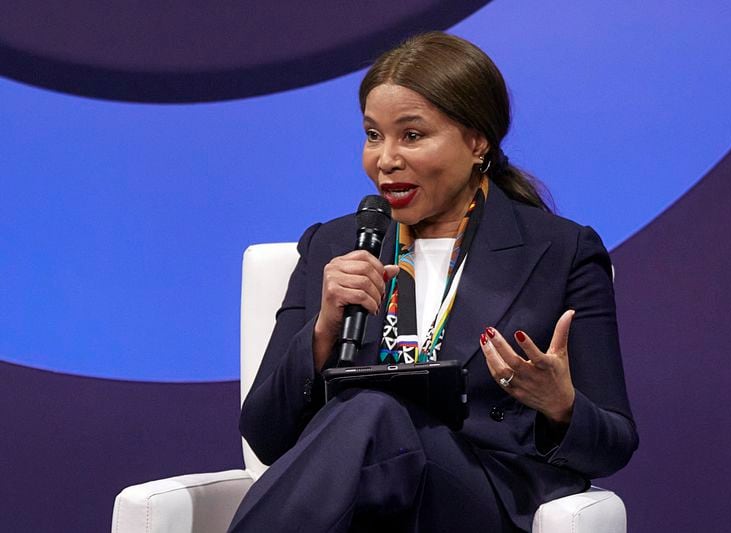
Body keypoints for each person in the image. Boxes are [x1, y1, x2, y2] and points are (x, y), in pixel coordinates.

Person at [228, 32, 638, 533]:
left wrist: (560, 405)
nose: (386, 159)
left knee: (372, 411)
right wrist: (321, 333)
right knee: (368, 415)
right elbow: (265, 436)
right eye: (373, 134)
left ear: (476, 140)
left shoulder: (560, 251)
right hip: (356, 502)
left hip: (479, 498)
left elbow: (614, 443)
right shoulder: (333, 246)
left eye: (413, 135)